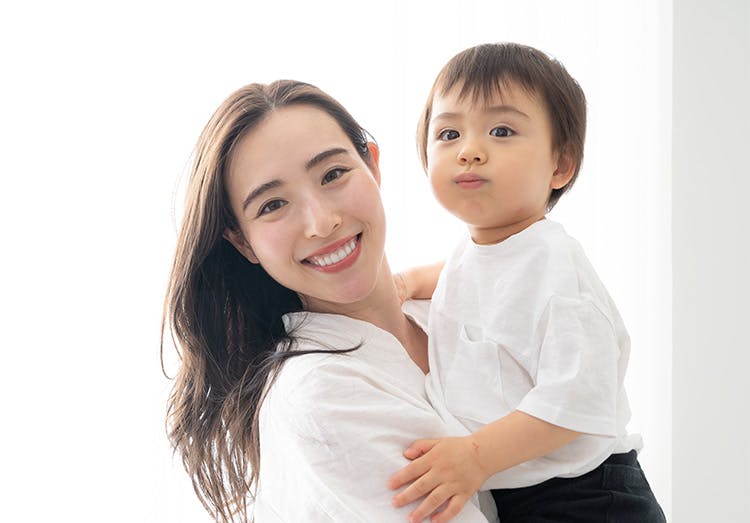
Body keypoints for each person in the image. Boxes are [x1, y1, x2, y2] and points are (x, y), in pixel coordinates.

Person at [161, 80, 498, 522]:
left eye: (333, 174)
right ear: (243, 243)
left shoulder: (456, 311)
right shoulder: (320, 393)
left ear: (372, 166)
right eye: (273, 204)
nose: (322, 222)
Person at [388, 43, 666, 523]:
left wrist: (475, 456)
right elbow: (469, 274)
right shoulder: (478, 252)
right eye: (449, 133)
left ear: (560, 165)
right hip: (522, 492)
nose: (470, 151)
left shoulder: (555, 267)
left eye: (501, 131)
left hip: (589, 497)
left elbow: (577, 397)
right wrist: (409, 281)